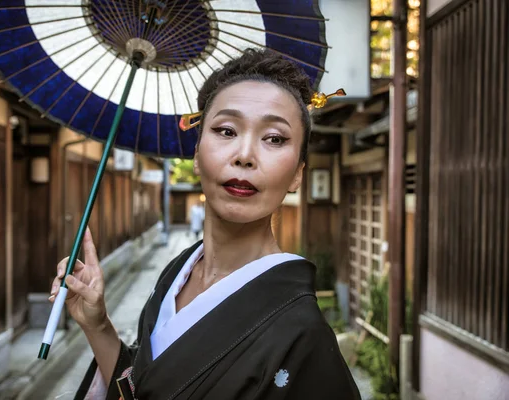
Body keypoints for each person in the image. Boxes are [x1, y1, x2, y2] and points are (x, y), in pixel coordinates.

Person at [49, 48, 361, 400]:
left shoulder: (304, 335)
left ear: (298, 175)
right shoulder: (177, 273)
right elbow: (142, 387)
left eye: (274, 138)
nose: (244, 155)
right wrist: (97, 324)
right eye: (226, 130)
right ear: (197, 155)